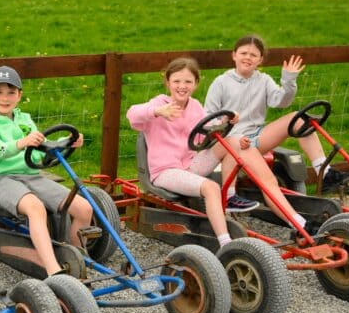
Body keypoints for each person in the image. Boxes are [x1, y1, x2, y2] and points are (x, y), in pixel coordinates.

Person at [128, 57, 318, 247]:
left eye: (188, 82)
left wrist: (228, 122)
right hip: (166, 171)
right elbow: (132, 115)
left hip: (191, 165)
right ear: (168, 82)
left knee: (233, 142)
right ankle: (225, 242)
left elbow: (207, 133)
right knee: (211, 187)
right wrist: (157, 111)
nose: (182, 86)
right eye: (177, 81)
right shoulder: (160, 103)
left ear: (195, 84)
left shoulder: (194, 106)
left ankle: (231, 197)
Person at [0, 65, 92, 276]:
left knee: (83, 208)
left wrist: (67, 142)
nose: (4, 98)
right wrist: (21, 143)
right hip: (1, 179)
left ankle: (77, 256)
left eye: (11, 92)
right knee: (36, 209)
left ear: (19, 95)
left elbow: (41, 148)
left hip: (31, 175)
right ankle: (53, 270)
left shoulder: (24, 119)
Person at [205, 33, 349, 196]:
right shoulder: (221, 82)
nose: (247, 58)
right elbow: (208, 115)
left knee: (299, 119)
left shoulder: (263, 80)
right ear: (234, 55)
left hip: (256, 137)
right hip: (230, 141)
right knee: (237, 145)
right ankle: (230, 197)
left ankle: (325, 172)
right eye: (243, 53)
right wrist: (224, 126)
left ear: (260, 60)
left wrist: (288, 80)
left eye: (253, 55)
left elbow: (281, 101)